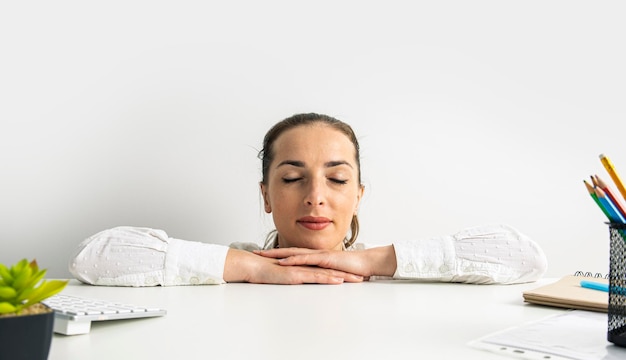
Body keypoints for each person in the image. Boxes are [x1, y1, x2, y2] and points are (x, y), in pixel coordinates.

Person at [69, 113, 547, 286]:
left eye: (337, 180)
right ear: (266, 196)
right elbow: (93, 259)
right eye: (294, 177)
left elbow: (526, 257)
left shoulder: (388, 272)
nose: (316, 197)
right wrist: (253, 267)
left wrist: (373, 262)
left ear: (358, 196)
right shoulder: (228, 265)